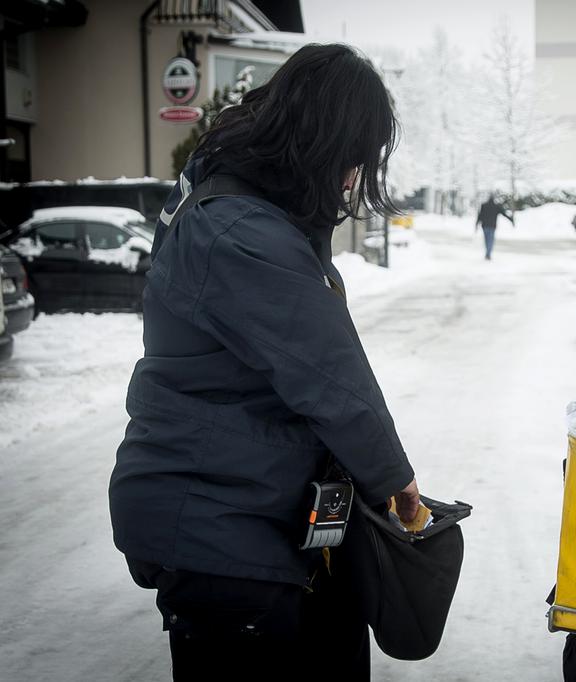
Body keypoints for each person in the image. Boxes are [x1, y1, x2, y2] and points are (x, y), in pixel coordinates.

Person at [108, 44, 419, 680]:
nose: (353, 179)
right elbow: (329, 377)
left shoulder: (250, 205)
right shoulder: (240, 229)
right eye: (352, 158)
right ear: (324, 140)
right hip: (220, 525)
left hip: (253, 510)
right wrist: (394, 482)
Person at [475, 193, 514, 260]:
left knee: (486, 240)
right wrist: (511, 220)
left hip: (485, 226)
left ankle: (487, 253)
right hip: (492, 226)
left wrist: (476, 224)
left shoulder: (484, 205)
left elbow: (480, 216)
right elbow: (504, 214)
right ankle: (488, 254)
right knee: (491, 240)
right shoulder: (496, 206)